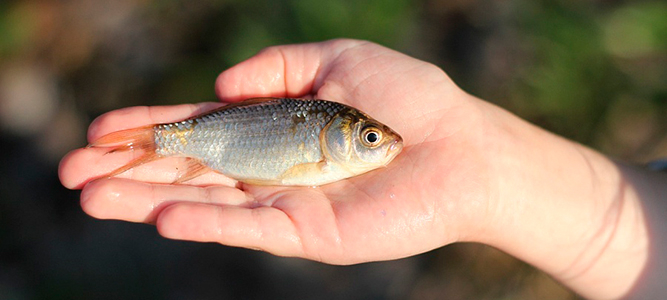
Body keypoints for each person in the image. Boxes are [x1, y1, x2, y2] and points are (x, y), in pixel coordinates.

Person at [59, 39, 666, 299]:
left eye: (372, 137)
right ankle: (149, 143)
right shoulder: (319, 140)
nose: (383, 144)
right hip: (218, 142)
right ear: (341, 134)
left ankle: (150, 143)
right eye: (371, 138)